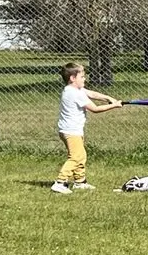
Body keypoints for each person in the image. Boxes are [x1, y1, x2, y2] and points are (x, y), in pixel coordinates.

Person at [51, 62, 122, 195]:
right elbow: (94, 109)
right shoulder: (75, 94)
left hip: (69, 130)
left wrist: (108, 98)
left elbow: (91, 93)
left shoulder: (73, 89)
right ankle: (60, 183)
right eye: (82, 76)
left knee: (81, 155)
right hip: (71, 131)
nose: (85, 79)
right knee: (75, 156)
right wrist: (114, 106)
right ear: (73, 78)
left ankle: (80, 182)